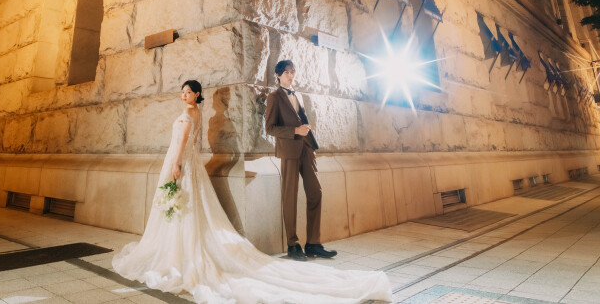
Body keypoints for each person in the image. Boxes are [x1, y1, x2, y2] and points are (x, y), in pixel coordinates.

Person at [112, 79, 392, 304]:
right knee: (191, 207)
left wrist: (175, 164)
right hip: (192, 163)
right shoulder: (198, 113)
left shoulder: (188, 115)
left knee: (184, 205)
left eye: (188, 91)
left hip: (181, 162)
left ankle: (301, 243)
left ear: (197, 94)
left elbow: (184, 141)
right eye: (182, 91)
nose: (184, 95)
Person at [264, 59, 332, 261]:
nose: (291, 76)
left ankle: (313, 243)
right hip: (289, 151)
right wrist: (295, 130)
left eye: (293, 72)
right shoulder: (274, 97)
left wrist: (306, 132)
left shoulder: (298, 95)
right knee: (290, 196)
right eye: (287, 73)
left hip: (306, 149)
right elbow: (269, 128)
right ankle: (293, 244)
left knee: (315, 192)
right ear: (278, 75)